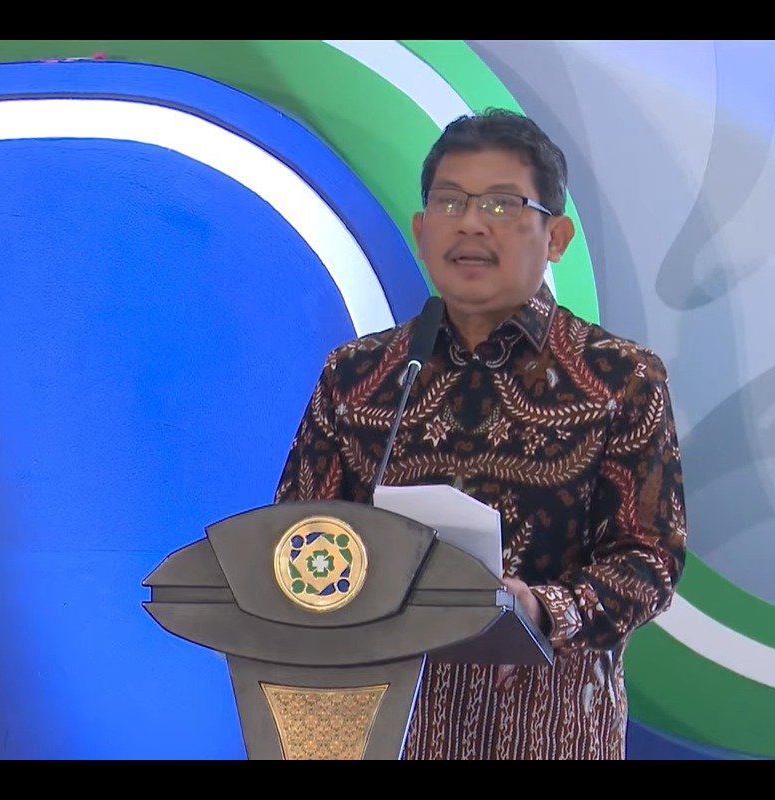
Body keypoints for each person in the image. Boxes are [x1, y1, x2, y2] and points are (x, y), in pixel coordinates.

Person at [274, 108, 687, 760]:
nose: (470, 223)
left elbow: (650, 559)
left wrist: (544, 607)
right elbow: (296, 534)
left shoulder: (620, 379)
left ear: (556, 237)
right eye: (450, 202)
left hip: (545, 732)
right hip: (381, 728)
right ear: (421, 231)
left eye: (501, 204)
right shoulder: (358, 374)